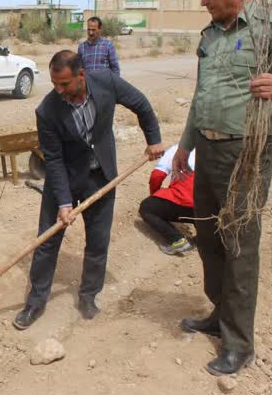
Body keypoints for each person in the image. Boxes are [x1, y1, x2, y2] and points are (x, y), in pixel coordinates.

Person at [172, 0, 272, 376]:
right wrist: (184, 146)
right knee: (209, 237)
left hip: (247, 153)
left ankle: (239, 343)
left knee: (239, 246)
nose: (203, 2)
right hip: (208, 151)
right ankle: (219, 312)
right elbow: (201, 97)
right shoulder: (210, 35)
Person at [13, 50, 164, 330]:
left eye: (64, 84)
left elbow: (141, 104)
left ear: (81, 75)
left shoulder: (107, 82)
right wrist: (63, 202)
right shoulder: (47, 110)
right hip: (65, 180)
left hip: (102, 177)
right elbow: (54, 160)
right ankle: (35, 301)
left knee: (98, 241)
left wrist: (153, 139)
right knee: (47, 242)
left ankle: (88, 295)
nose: (59, 91)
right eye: (55, 84)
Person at [138, 145, 196, 255]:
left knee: (147, 207)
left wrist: (155, 196)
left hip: (186, 196)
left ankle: (177, 240)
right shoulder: (214, 148)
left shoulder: (178, 148)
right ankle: (203, 238)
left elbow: (157, 176)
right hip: (210, 203)